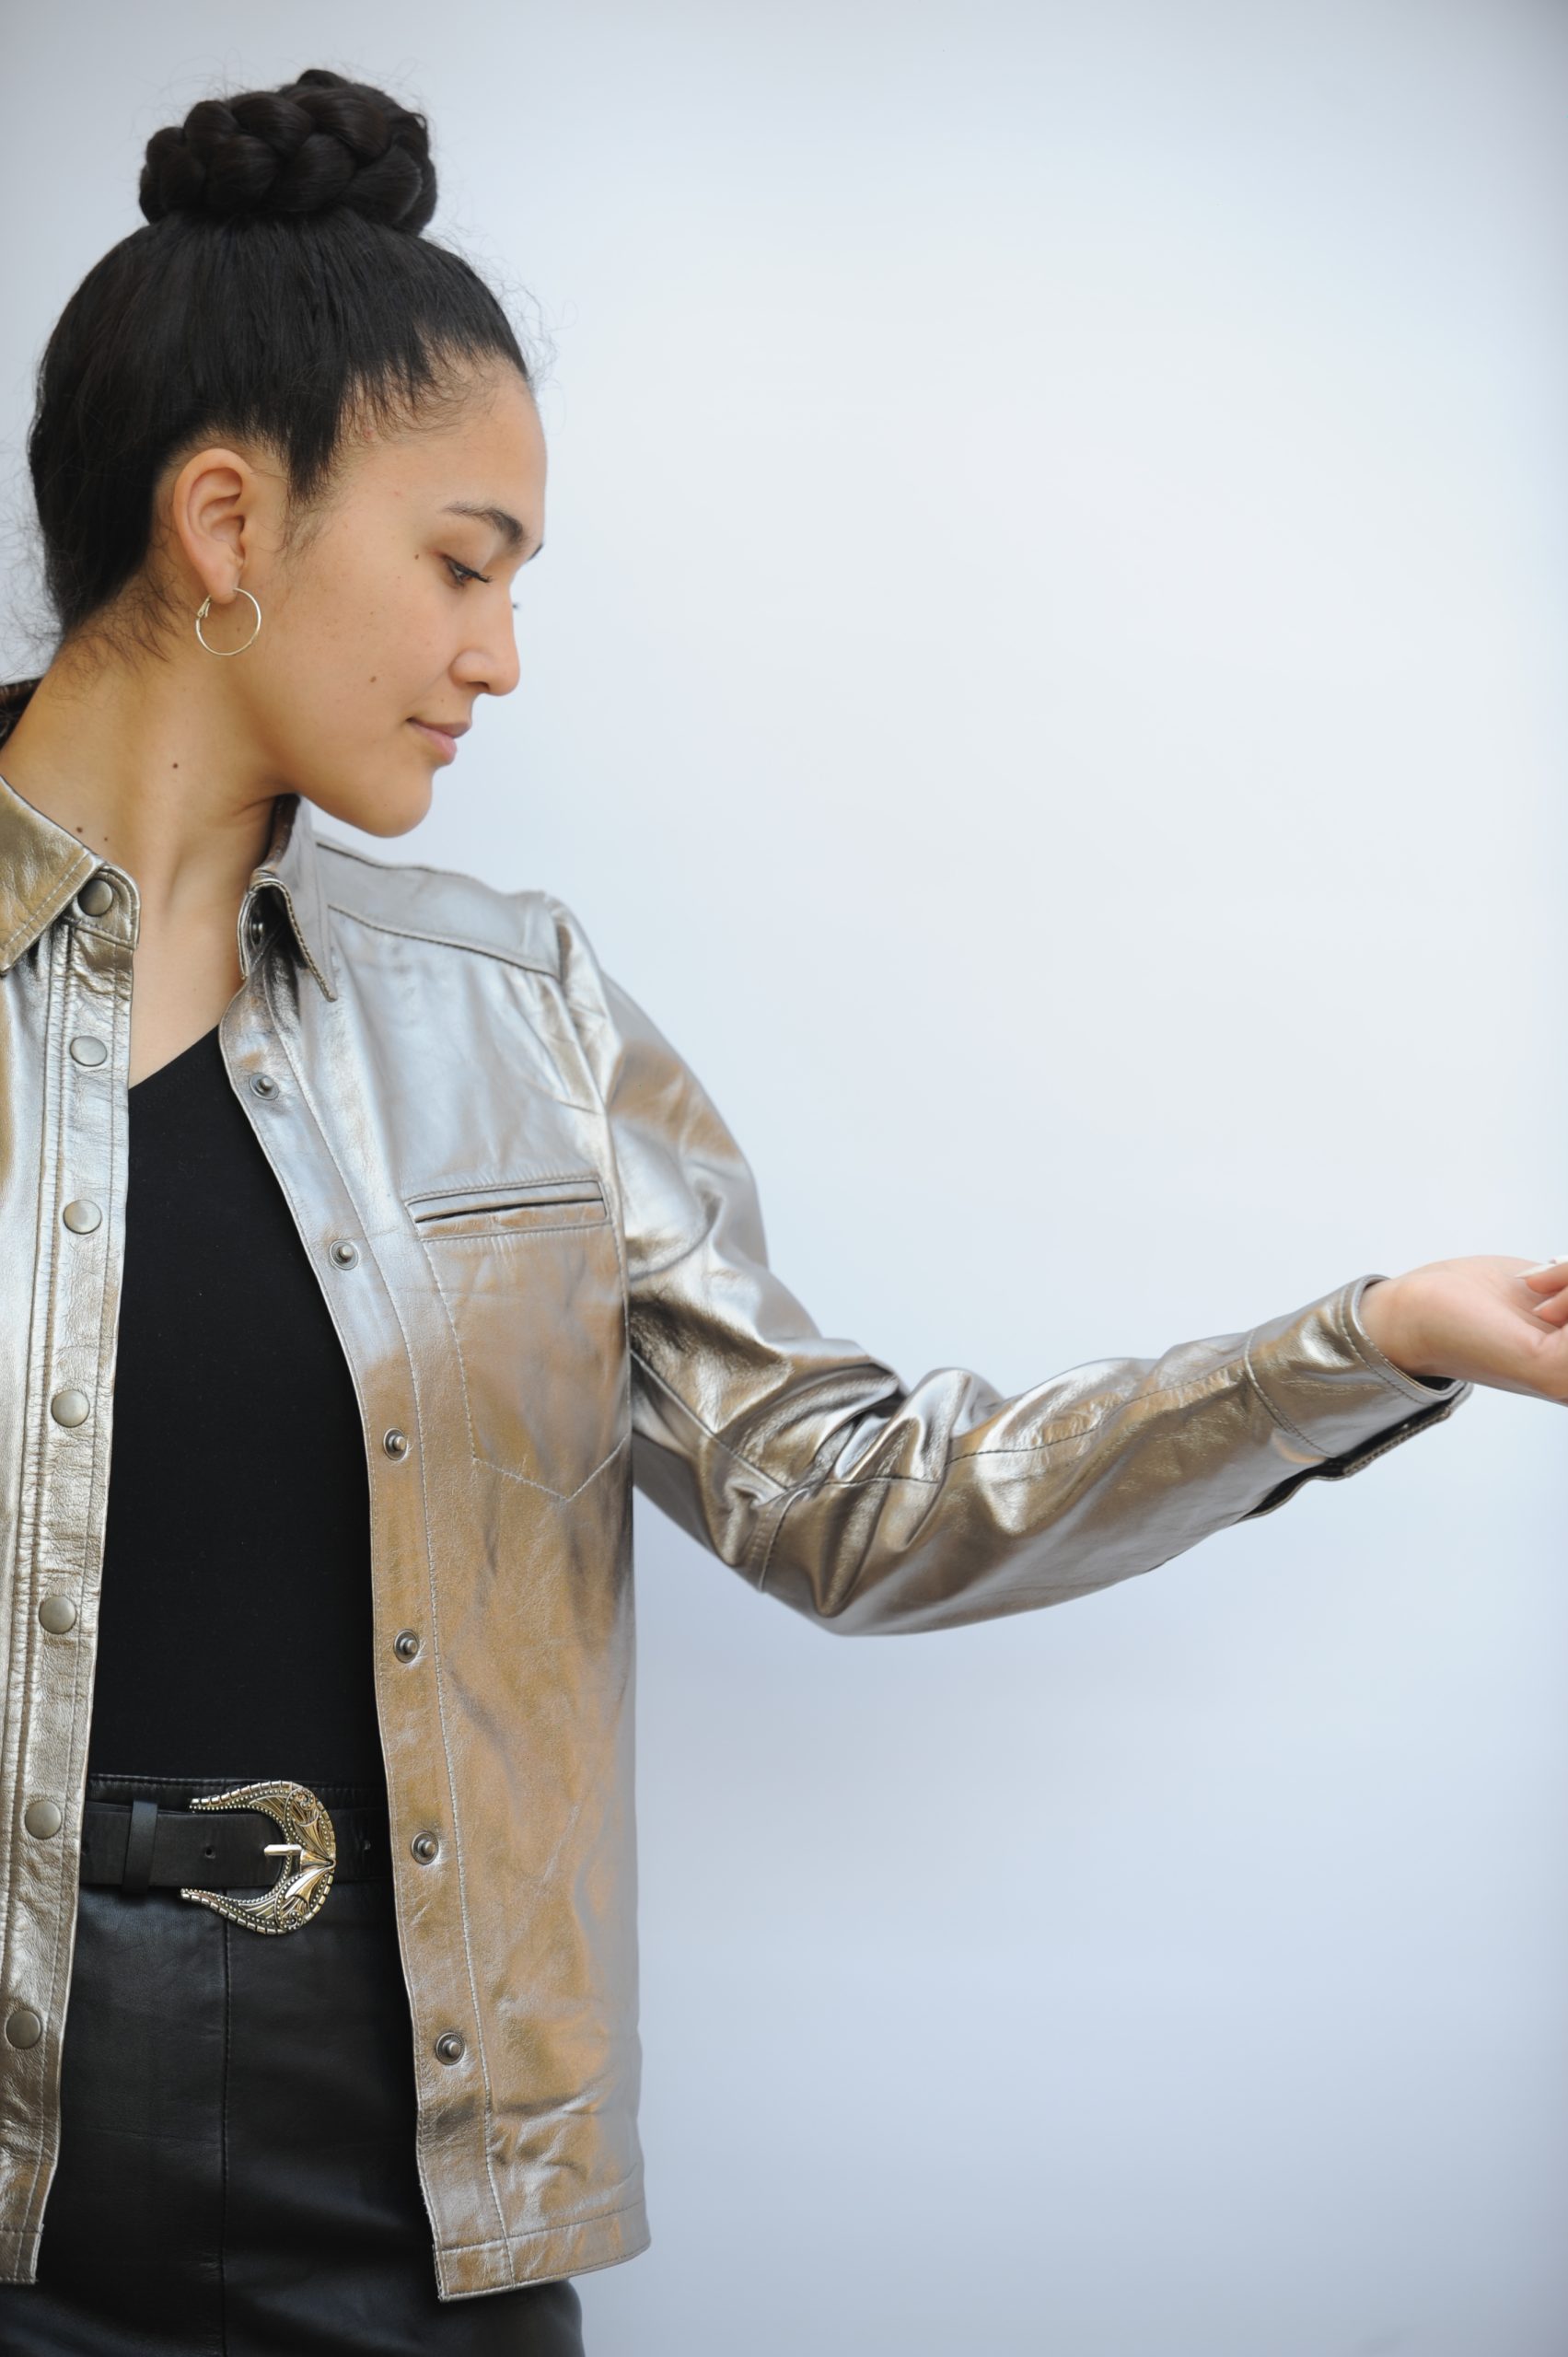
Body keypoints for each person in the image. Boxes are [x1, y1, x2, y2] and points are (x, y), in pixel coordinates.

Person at [0, 62, 1559, 2355]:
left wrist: (1374, 1335)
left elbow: (849, 1495)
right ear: (228, 519)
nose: (499, 654)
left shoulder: (520, 1016)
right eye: (463, 562)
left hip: (419, 2202)